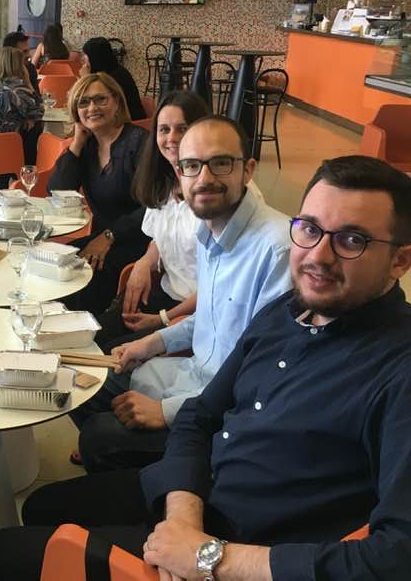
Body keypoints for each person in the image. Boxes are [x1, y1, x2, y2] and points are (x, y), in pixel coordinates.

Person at [0, 155, 411, 581]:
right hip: (202, 498)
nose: (318, 256)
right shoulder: (287, 312)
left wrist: (211, 558)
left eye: (351, 241)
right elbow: (200, 415)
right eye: (309, 229)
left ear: (403, 261)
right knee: (41, 508)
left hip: (256, 549)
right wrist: (185, 518)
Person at [70, 116, 291, 473]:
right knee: (78, 386)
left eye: (220, 163)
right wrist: (151, 342)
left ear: (247, 170)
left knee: (100, 434)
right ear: (179, 174)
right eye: (191, 166)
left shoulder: (277, 249)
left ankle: (162, 486)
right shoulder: (211, 232)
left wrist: (166, 412)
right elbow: (209, 318)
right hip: (191, 372)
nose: (204, 178)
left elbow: (265, 374)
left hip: (226, 412)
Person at [91, 91, 208, 352]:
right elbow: (161, 235)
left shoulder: (214, 193)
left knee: (112, 358)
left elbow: (220, 284)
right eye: (164, 129)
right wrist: (145, 262)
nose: (172, 138)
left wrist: (163, 319)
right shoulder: (165, 181)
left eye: (183, 129)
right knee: (91, 340)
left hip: (196, 315)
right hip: (166, 294)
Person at [48, 73, 149, 317]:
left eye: (100, 99)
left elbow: (155, 207)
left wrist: (109, 235)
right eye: (83, 102)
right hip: (101, 238)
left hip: (140, 240)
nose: (92, 107)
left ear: (116, 102)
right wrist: (76, 143)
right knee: (56, 263)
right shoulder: (88, 145)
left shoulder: (139, 143)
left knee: (89, 274)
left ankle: (87, 331)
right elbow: (58, 191)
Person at [80, 37, 145, 120]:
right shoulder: (113, 69)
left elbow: (85, 101)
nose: (84, 64)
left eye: (86, 59)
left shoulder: (111, 78)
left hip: (127, 124)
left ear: (94, 59)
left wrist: (85, 79)